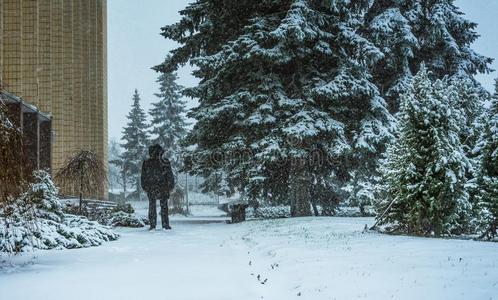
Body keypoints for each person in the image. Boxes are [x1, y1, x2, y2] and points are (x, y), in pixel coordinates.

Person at [141, 144, 175, 230]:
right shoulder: (164, 161)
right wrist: (170, 186)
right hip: (161, 187)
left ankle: (153, 225)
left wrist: (145, 187)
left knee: (153, 206)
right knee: (163, 206)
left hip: (153, 188)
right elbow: (170, 175)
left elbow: (143, 177)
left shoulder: (147, 162)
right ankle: (165, 224)